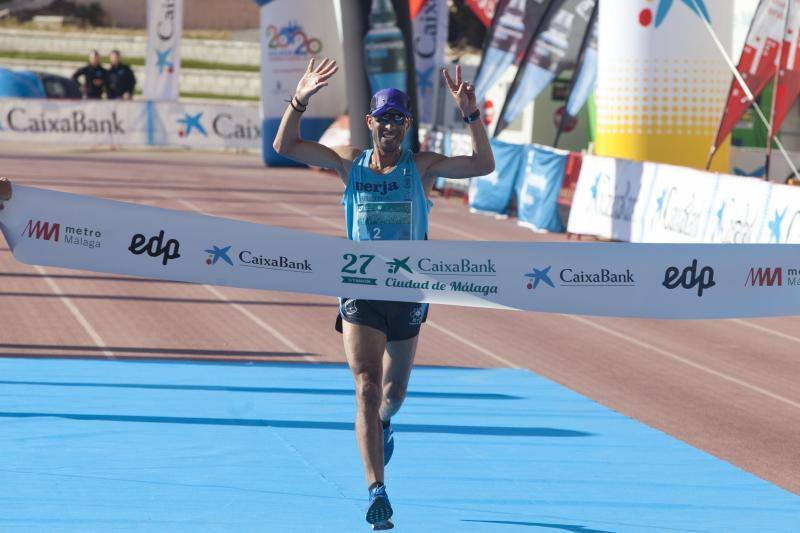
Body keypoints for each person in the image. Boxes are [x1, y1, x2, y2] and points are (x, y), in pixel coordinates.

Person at [273, 58, 494, 530]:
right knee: (366, 388)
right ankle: (378, 491)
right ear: (370, 122)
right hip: (359, 292)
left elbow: (482, 164)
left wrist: (470, 115)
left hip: (409, 293)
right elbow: (285, 144)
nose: (390, 127)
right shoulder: (349, 163)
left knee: (392, 395)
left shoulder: (422, 166)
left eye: (398, 119)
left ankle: (386, 422)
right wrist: (300, 97)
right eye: (383, 119)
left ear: (406, 125)